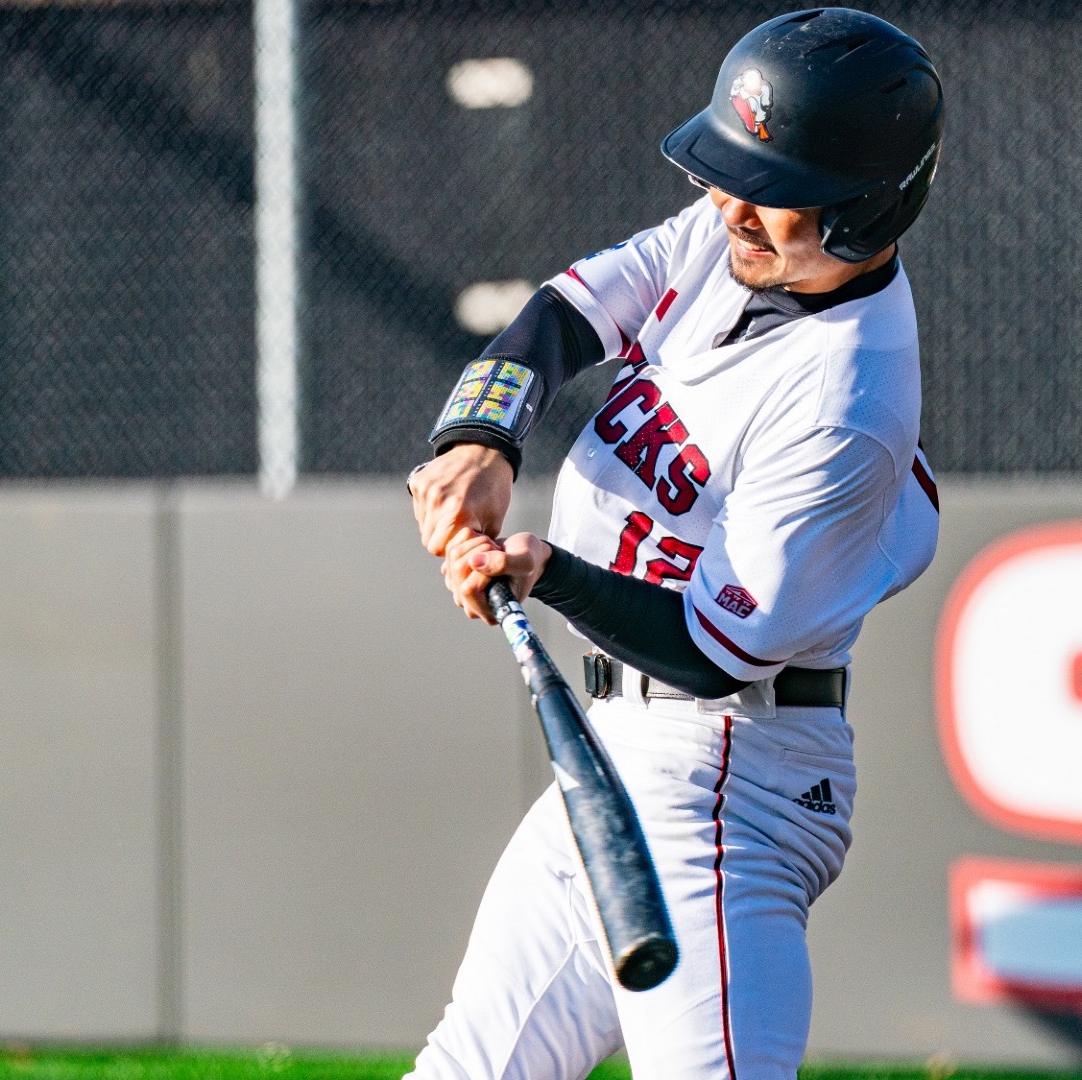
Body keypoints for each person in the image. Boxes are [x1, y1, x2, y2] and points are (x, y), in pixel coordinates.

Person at [404, 9, 943, 1078]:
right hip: (622, 745)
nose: (729, 204)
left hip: (728, 778)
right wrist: (481, 439)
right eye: (731, 175)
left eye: (770, 187)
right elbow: (566, 314)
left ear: (863, 208)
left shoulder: (846, 402)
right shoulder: (733, 241)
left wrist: (548, 573)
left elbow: (715, 649)